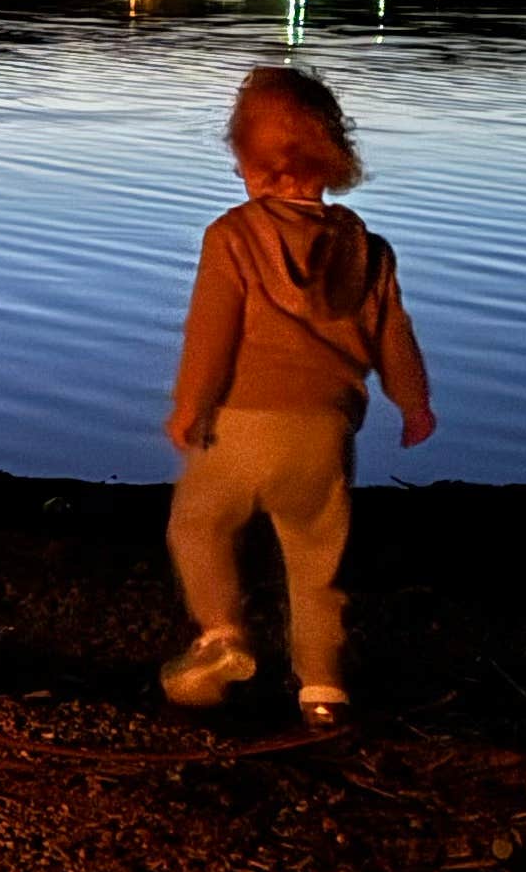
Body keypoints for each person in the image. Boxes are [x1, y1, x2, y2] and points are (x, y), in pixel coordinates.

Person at [158, 62, 434, 729]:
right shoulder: (367, 248)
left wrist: (191, 404)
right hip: (322, 431)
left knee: (198, 526)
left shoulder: (233, 236)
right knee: (316, 564)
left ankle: (223, 634)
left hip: (241, 424)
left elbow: (212, 331)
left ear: (255, 162)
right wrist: (414, 402)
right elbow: (393, 334)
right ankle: (323, 690)